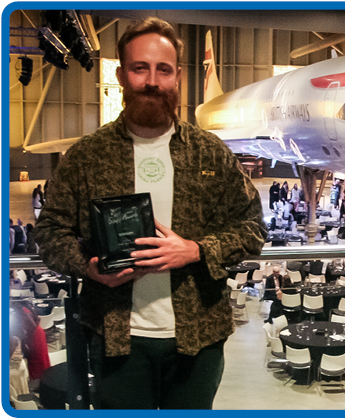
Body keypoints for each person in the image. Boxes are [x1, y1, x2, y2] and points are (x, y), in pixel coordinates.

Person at [34, 17, 267, 410]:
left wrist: (196, 250)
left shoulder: (210, 152)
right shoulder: (88, 156)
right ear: (122, 75)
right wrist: (87, 267)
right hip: (116, 338)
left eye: (164, 70)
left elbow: (253, 228)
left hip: (199, 338)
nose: (152, 81)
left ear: (178, 77)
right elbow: (49, 231)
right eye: (140, 68)